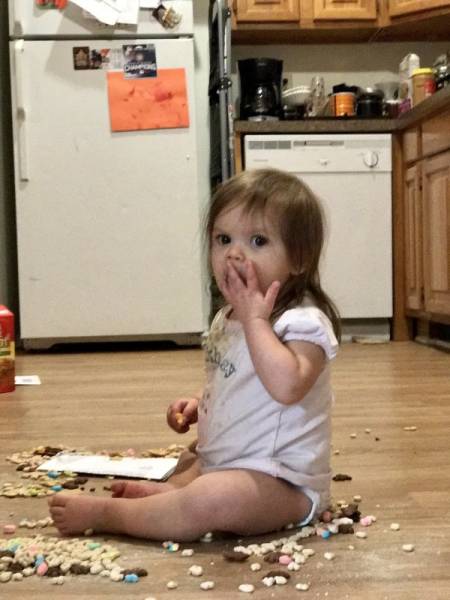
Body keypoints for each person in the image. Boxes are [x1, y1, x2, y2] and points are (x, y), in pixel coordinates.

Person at [49, 168, 340, 542]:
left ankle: (113, 515)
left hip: (283, 481)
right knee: (190, 460)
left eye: (257, 240)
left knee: (211, 498)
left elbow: (288, 386)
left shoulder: (302, 321)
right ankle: (171, 497)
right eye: (223, 239)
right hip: (226, 462)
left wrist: (256, 321)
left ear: (298, 259)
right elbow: (236, 379)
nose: (234, 253)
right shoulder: (228, 317)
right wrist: (201, 402)